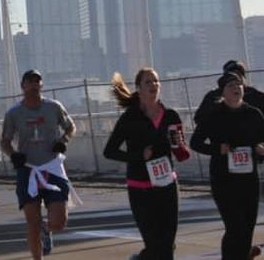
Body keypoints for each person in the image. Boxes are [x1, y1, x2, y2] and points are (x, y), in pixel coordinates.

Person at [103, 68, 191, 260]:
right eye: (148, 82)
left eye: (156, 81)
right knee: (154, 246)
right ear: (139, 88)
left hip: (167, 185)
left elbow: (183, 155)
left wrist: (178, 145)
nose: (153, 85)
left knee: (167, 246)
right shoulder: (129, 118)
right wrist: (138, 156)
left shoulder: (171, 116)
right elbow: (109, 151)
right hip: (141, 189)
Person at [1, 69, 76, 259]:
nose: (34, 85)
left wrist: (63, 140)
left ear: (41, 85)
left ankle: (47, 228)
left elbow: (70, 127)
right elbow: (5, 141)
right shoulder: (14, 113)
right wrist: (13, 155)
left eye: (38, 81)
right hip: (28, 170)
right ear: (23, 85)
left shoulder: (53, 107)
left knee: (59, 222)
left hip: (52, 167)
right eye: (30, 81)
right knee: (32, 222)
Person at [190, 70, 264, 260]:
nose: (236, 88)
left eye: (239, 84)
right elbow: (195, 143)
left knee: (247, 229)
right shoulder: (213, 115)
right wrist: (218, 149)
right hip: (224, 181)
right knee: (235, 228)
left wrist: (261, 150)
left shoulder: (254, 115)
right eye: (230, 85)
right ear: (222, 92)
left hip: (249, 180)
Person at [194, 60, 264, 124]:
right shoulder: (213, 97)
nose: (237, 78)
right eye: (232, 76)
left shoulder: (256, 95)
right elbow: (199, 119)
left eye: (239, 74)